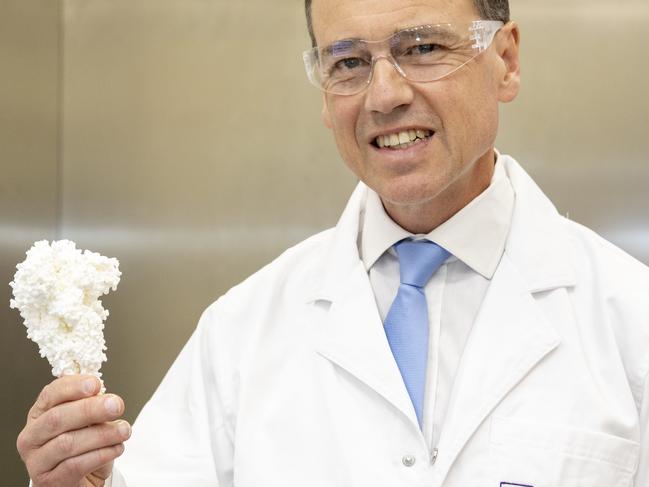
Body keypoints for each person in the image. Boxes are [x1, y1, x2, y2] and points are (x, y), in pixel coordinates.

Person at [17, 0, 649, 485]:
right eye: (347, 62)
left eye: (423, 47)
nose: (384, 95)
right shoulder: (241, 330)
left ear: (505, 60)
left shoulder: (629, 317)